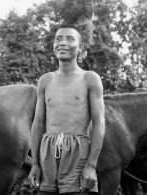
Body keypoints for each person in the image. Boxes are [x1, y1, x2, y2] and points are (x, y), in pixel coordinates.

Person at [28, 24, 105, 195]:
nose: (62, 43)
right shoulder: (45, 80)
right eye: (58, 39)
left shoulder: (90, 78)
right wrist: (35, 164)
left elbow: (100, 123)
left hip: (77, 153)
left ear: (80, 47)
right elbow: (38, 123)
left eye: (70, 39)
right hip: (47, 152)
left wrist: (91, 165)